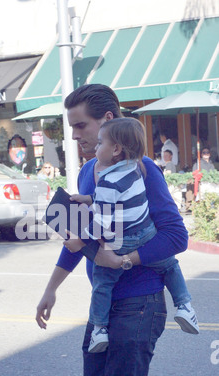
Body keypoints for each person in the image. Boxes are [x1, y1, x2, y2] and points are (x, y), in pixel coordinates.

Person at [36, 84, 205, 376]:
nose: (74, 134)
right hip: (106, 303)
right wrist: (51, 288)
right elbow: (76, 237)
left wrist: (124, 259)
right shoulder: (87, 173)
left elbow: (176, 236)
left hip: (140, 303)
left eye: (80, 126)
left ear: (108, 121)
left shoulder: (142, 171)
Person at [63, 117, 198, 353]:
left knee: (103, 284)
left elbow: (101, 224)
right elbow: (119, 198)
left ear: (115, 149)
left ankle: (99, 330)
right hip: (146, 234)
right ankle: (185, 306)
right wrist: (89, 199)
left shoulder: (105, 181)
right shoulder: (134, 169)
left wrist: (80, 239)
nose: (95, 147)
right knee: (169, 266)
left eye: (100, 143)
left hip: (122, 242)